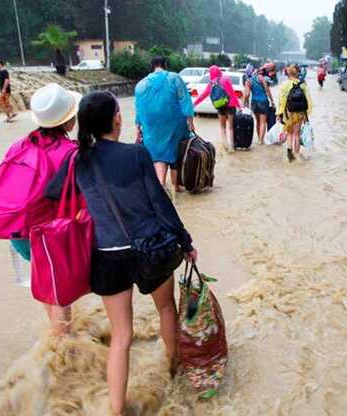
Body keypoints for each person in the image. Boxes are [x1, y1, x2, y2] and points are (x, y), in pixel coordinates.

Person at [45, 91, 198, 416]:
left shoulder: (77, 159)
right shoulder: (136, 154)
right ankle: (171, 369)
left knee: (122, 335)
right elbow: (159, 201)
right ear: (117, 118)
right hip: (149, 251)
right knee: (167, 310)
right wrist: (185, 241)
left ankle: (116, 409)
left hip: (107, 257)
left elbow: (52, 193)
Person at [8, 83, 81, 335]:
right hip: (50, 236)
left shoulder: (19, 146)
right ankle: (63, 353)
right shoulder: (72, 153)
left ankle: (55, 335)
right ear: (69, 123)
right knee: (61, 294)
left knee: (45, 285)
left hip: (18, 234)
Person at [135, 56, 195, 193]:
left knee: (158, 154)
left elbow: (139, 108)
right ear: (165, 65)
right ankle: (175, 187)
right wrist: (190, 121)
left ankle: (160, 185)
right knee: (175, 151)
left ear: (152, 66)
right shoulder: (174, 78)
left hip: (151, 126)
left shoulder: (141, 84)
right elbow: (185, 100)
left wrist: (138, 127)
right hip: (174, 122)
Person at [193, 65, 241, 153]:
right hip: (230, 105)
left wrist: (194, 104)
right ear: (219, 71)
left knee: (222, 127)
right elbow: (232, 93)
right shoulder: (225, 79)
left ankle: (225, 145)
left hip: (219, 105)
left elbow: (203, 95)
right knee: (231, 127)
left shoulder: (211, 84)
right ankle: (231, 147)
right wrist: (239, 106)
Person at [277, 65, 313, 163]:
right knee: (296, 134)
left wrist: (279, 114)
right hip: (300, 112)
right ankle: (296, 155)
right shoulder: (302, 84)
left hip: (288, 112)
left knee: (289, 133)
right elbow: (308, 101)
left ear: (288, 73)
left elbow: (281, 101)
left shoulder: (284, 85)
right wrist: (307, 114)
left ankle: (289, 152)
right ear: (297, 73)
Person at [244, 63, 276, 145]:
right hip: (263, 102)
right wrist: (272, 101)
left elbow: (246, 95)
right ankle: (261, 141)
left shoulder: (248, 81)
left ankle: (259, 138)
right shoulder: (261, 78)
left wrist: (245, 104)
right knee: (263, 123)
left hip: (254, 103)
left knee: (258, 122)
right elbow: (267, 91)